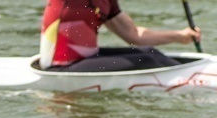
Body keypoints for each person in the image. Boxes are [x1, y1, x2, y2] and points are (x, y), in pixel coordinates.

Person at [39, 0, 202, 71]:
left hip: (88, 59)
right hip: (60, 67)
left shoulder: (106, 2)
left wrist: (179, 36)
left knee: (150, 53)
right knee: (146, 60)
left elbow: (134, 35)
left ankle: (191, 75)